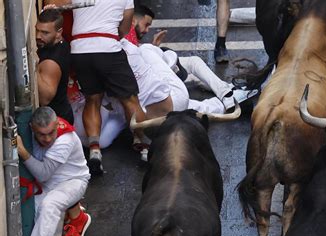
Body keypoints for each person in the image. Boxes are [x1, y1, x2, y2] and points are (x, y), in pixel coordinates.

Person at [47, 0, 148, 176]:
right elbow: (124, 28)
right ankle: (145, 147)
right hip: (108, 46)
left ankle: (94, 151)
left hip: (80, 50)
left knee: (92, 99)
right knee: (130, 99)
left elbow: (54, 3)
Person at [129, 5, 258, 115]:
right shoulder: (126, 37)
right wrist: (153, 49)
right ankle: (228, 96)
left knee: (194, 63)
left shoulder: (135, 40)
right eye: (146, 25)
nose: (147, 30)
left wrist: (155, 48)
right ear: (134, 20)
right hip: (147, 82)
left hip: (154, 72)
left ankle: (226, 93)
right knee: (188, 100)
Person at [17, 107, 91, 236]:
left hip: (74, 181)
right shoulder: (29, 132)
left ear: (57, 124)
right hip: (49, 184)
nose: (48, 139)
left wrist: (23, 152)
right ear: (32, 128)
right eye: (41, 134)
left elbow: (43, 173)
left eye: (51, 132)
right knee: (31, 210)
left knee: (49, 206)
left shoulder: (66, 139)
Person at [36, 9, 74, 124]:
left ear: (59, 32)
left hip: (56, 124)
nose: (38, 36)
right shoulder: (59, 42)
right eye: (36, 30)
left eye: (45, 32)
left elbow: (44, 99)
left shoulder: (51, 63)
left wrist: (33, 65)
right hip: (59, 116)